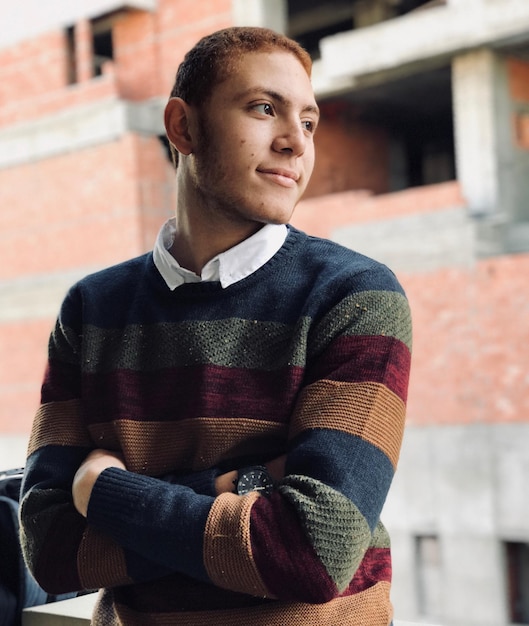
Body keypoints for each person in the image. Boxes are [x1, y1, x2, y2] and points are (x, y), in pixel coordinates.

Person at [19, 26, 412, 626]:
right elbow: (50, 548)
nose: (295, 144)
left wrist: (104, 490)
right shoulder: (92, 309)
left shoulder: (355, 296)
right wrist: (244, 487)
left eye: (308, 122)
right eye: (264, 109)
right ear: (183, 127)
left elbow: (312, 551)